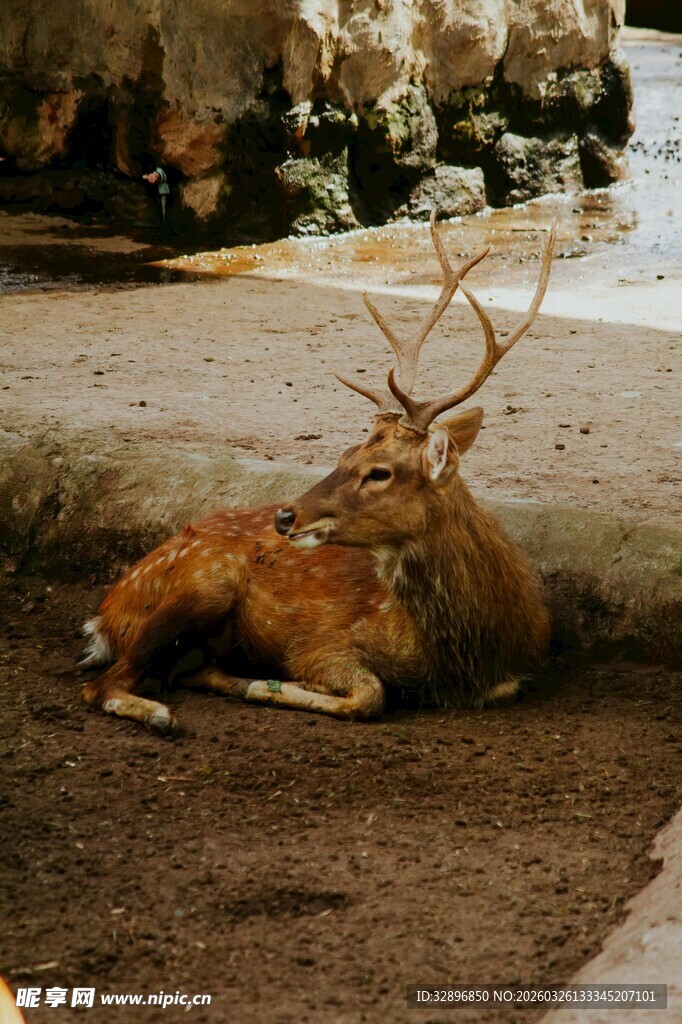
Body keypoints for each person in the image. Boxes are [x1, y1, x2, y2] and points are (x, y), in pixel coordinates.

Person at [141, 159, 170, 225]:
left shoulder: (162, 171)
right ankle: (161, 221)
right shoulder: (153, 168)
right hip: (157, 191)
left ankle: (164, 222)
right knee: (158, 205)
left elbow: (163, 176)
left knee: (163, 206)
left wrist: (155, 176)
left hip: (163, 191)